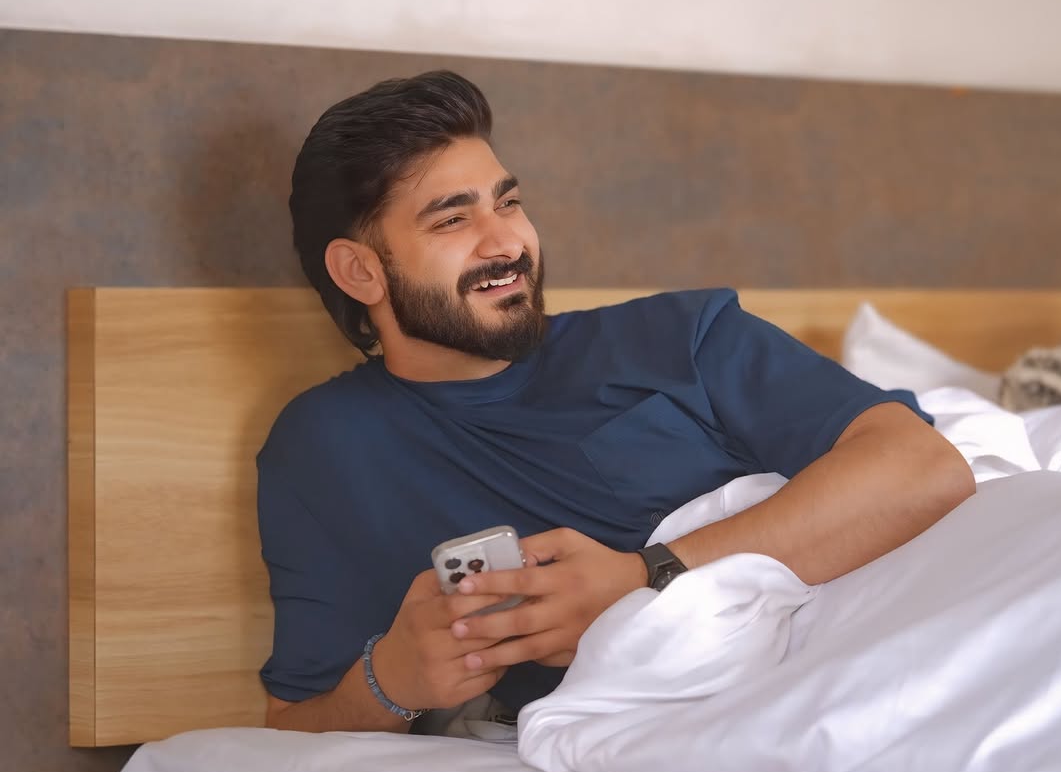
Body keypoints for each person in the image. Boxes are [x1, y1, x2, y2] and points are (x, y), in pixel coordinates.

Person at [260, 70, 975, 735]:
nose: (507, 241)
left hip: (911, 628)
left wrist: (647, 576)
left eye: (508, 203)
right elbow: (291, 727)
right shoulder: (330, 448)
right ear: (359, 271)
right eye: (452, 220)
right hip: (727, 720)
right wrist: (391, 681)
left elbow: (926, 468)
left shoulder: (679, 336)